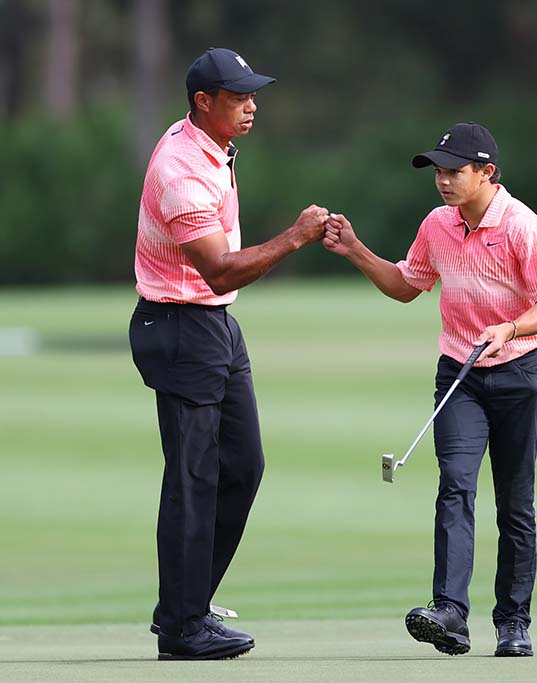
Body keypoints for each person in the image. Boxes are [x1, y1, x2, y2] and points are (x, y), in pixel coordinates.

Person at [323, 122, 537, 657]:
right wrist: (357, 250)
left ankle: (513, 623)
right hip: (460, 374)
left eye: (455, 172)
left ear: (487, 172)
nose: (443, 181)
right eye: (439, 172)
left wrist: (512, 328)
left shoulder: (524, 227)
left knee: (515, 504)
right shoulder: (437, 226)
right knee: (455, 486)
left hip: (518, 372)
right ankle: (451, 613)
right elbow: (408, 285)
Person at [129, 47, 329, 661]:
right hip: (182, 324)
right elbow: (217, 271)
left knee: (242, 466)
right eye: (238, 97)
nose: (251, 105)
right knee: (192, 480)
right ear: (202, 102)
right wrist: (294, 237)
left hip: (211, 325)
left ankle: (184, 604)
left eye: (251, 94)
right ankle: (184, 628)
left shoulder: (208, 143)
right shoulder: (182, 169)